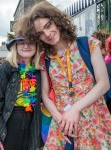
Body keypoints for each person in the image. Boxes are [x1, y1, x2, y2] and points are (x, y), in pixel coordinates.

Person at [23, 1, 111, 149]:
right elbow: (44, 92)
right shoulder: (45, 58)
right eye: (40, 33)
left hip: (93, 120)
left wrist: (75, 109)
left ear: (57, 21)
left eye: (48, 26)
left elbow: (103, 84)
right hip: (62, 123)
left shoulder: (89, 45)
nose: (47, 34)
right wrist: (59, 119)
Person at [0, 15, 43, 150]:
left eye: (30, 42)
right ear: (15, 46)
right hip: (10, 124)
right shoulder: (6, 68)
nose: (26, 46)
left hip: (32, 123)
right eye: (22, 43)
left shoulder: (40, 70)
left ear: (36, 46)